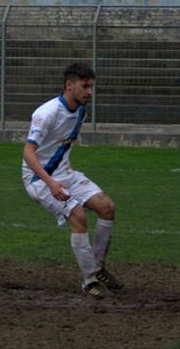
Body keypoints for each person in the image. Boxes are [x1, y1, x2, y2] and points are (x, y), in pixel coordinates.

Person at [22, 62, 123, 299]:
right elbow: (28, 152)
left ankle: (97, 269)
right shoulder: (45, 114)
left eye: (92, 87)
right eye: (85, 86)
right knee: (78, 217)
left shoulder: (80, 110)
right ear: (69, 85)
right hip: (39, 179)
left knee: (107, 207)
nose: (90, 92)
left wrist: (67, 172)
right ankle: (89, 281)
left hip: (65, 173)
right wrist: (51, 183)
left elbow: (60, 146)